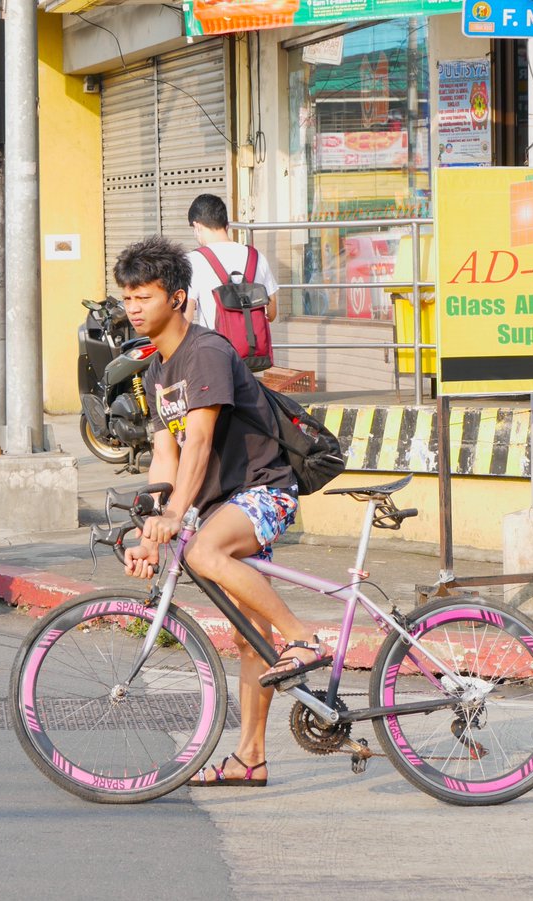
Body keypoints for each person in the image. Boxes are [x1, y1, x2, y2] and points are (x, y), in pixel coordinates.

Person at [119, 235, 324, 788]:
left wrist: (176, 517)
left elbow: (202, 441)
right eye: (128, 297)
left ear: (178, 298)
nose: (133, 307)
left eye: (144, 295)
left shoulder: (205, 351)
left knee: (205, 553)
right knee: (248, 636)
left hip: (263, 491)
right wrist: (150, 533)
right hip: (223, 503)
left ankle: (303, 638)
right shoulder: (156, 373)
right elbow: (167, 455)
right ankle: (250, 760)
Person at [185, 194, 279, 329]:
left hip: (214, 341)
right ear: (227, 226)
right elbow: (272, 313)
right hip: (253, 342)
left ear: (197, 226)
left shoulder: (194, 260)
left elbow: (186, 318)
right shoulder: (257, 257)